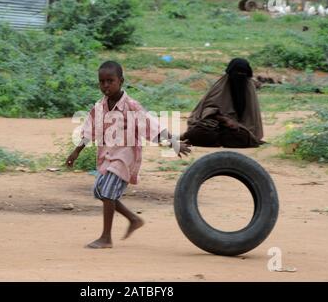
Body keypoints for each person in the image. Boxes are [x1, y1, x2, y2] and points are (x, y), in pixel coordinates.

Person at [66, 61, 191, 249]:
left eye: (110, 81)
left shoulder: (131, 106)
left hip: (125, 156)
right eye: (102, 82)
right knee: (100, 192)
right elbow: (89, 130)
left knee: (107, 193)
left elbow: (151, 125)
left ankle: (106, 238)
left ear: (121, 81)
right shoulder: (99, 107)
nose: (106, 85)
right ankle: (133, 219)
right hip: (107, 155)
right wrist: (76, 151)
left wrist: (173, 142)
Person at [181, 58, 264, 148]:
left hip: (238, 128)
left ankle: (218, 140)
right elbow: (208, 110)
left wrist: (238, 125)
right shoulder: (220, 87)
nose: (239, 76)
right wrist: (225, 120)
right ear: (230, 73)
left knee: (242, 137)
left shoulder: (248, 88)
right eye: (236, 73)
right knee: (201, 133)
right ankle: (185, 136)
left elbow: (251, 118)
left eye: (243, 74)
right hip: (213, 125)